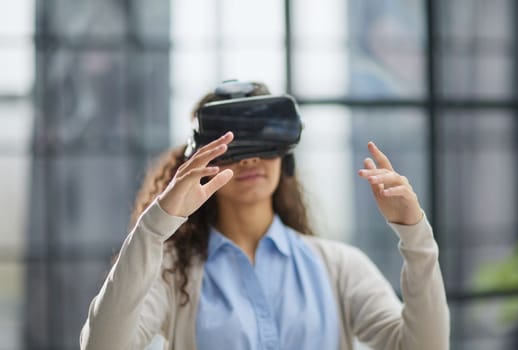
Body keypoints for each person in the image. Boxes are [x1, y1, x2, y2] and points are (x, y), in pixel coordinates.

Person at [80, 81, 449, 350]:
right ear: (200, 159)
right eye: (231, 145)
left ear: (285, 153)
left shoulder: (339, 266)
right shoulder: (173, 273)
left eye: (263, 139)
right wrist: (157, 224)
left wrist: (414, 234)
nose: (251, 159)